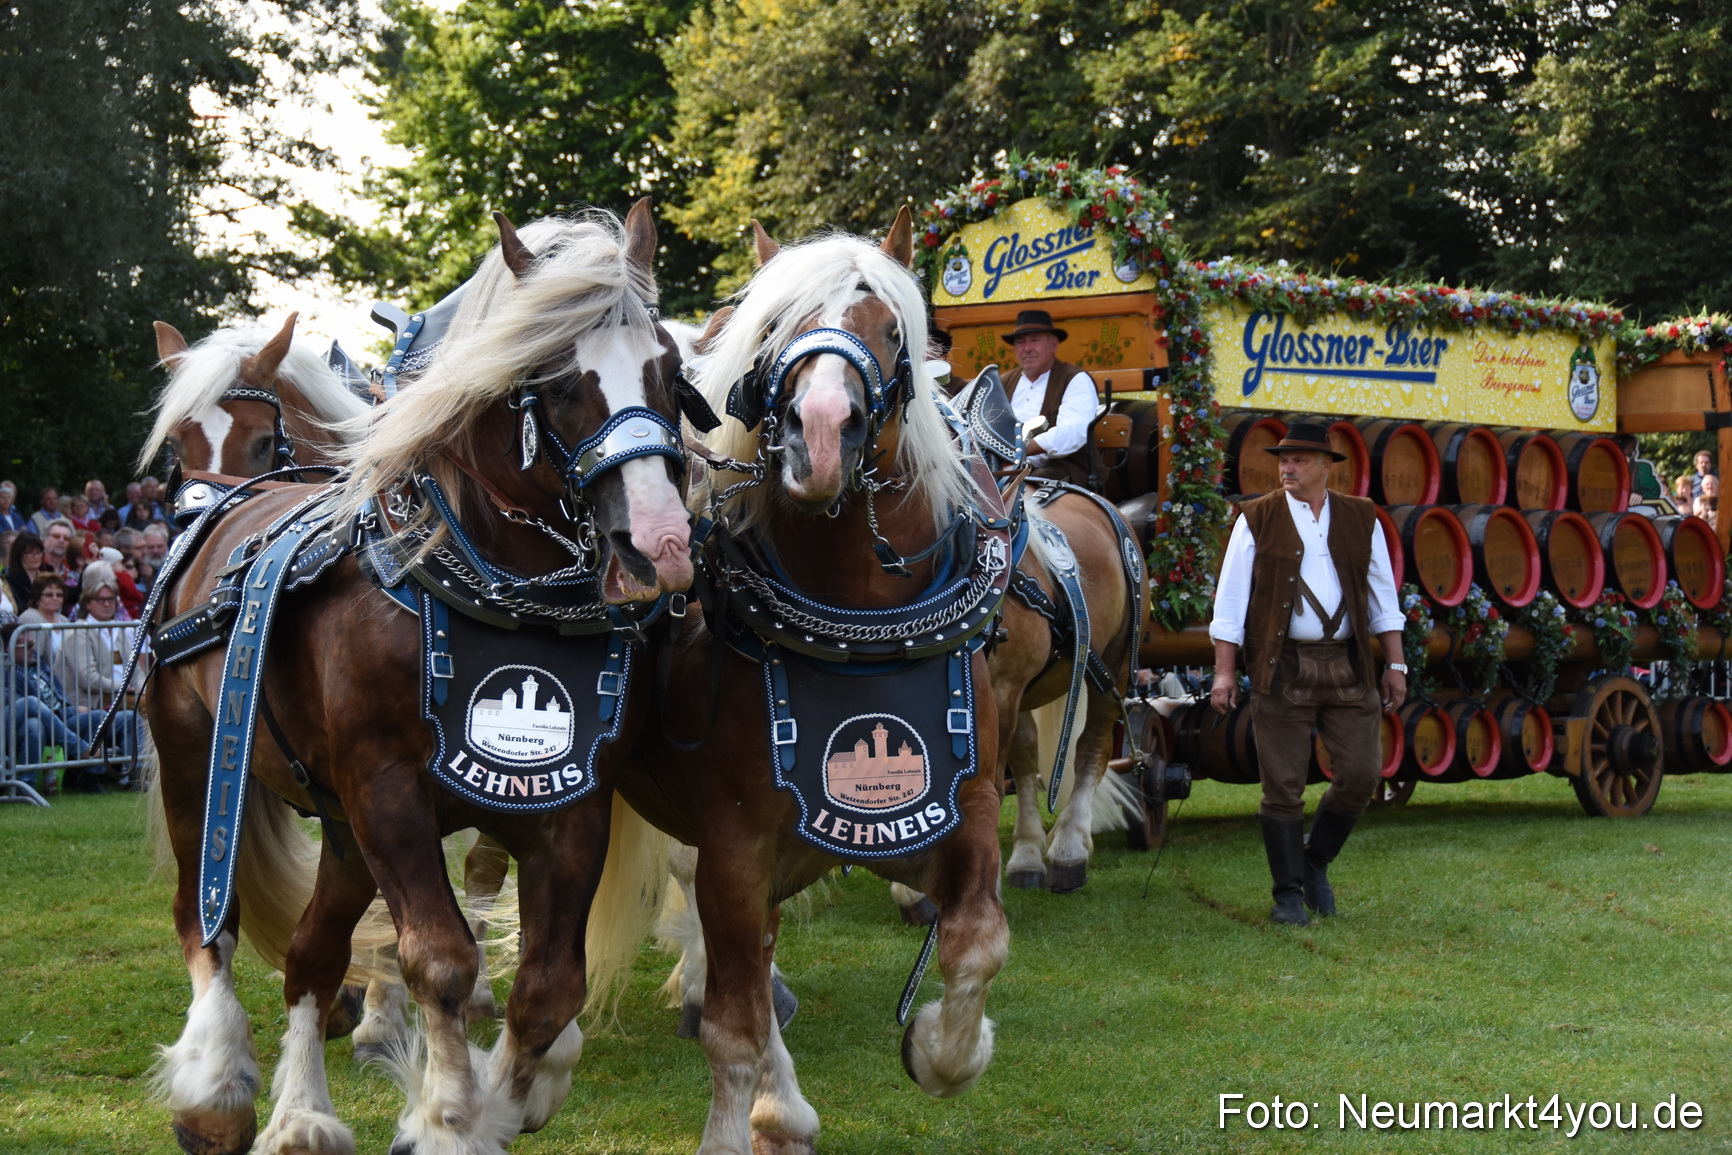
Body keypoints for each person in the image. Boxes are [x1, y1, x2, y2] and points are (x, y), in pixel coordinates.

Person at [1209, 422, 1406, 925]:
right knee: (1283, 786)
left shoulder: (1362, 516)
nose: (1287, 468)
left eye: (1298, 460)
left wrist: (1396, 663)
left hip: (1349, 666)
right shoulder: (1256, 517)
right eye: (1283, 460)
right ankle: (1288, 896)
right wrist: (1224, 673)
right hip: (1284, 667)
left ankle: (1315, 860)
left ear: (1325, 466)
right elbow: (1230, 602)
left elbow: (1383, 596)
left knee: (1362, 775)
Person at [5, 622, 138, 792]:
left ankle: (133, 778)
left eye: (33, 643)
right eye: (28, 645)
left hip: (63, 718)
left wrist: (73, 709)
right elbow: (23, 709)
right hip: (42, 723)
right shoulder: (7, 671)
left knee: (124, 717)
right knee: (33, 719)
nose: (33, 649)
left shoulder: (37, 661)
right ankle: (80, 753)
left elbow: (58, 692)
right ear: (9, 649)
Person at [999, 309, 1099, 486]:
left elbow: (1072, 431)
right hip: (1007, 467)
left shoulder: (1075, 379)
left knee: (1028, 485)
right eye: (1021, 342)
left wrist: (1022, 449)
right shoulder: (1004, 382)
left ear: (1053, 345)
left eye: (1035, 340)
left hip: (1064, 469)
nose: (1027, 348)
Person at [58, 564, 144, 714]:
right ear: (88, 604)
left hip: (124, 695)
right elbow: (88, 679)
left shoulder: (120, 630)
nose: (107, 604)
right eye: (100, 600)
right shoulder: (78, 632)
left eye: (110, 599)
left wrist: (144, 688)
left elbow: (136, 670)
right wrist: (124, 687)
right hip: (93, 702)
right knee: (146, 707)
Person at [6, 533, 44, 611]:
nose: (35, 556)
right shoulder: (11, 580)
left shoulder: (47, 577)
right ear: (19, 555)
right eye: (29, 552)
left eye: (38, 552)